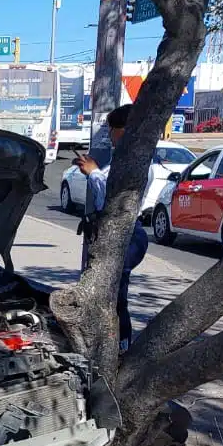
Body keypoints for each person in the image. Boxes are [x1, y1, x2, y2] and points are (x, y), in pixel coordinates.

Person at [72, 104, 148, 351]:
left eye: (112, 130)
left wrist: (93, 174)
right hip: (119, 235)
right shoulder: (125, 159)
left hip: (126, 235)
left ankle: (119, 346)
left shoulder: (136, 161)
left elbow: (113, 200)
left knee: (113, 296)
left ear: (123, 130)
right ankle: (114, 345)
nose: (110, 136)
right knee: (110, 294)